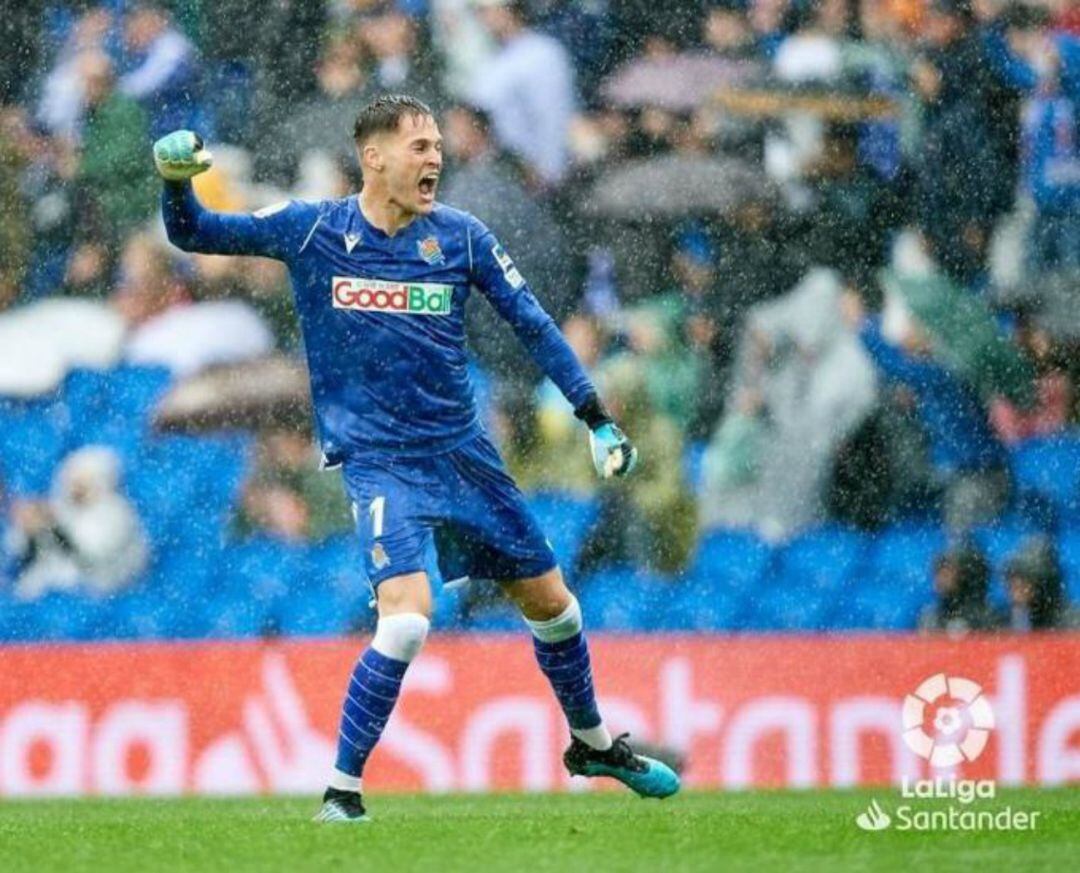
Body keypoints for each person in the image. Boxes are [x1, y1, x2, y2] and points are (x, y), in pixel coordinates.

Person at [153, 94, 679, 822]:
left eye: (437, 145)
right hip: (381, 461)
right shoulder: (313, 229)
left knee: (555, 608)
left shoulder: (460, 237)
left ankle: (592, 744)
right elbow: (197, 232)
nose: (435, 158)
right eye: (419, 146)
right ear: (374, 157)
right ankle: (343, 787)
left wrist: (593, 413)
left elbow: (532, 323)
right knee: (405, 620)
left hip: (464, 455)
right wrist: (174, 179)